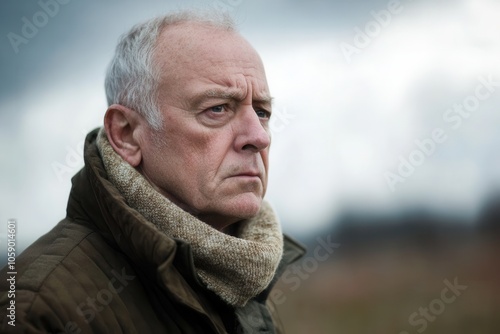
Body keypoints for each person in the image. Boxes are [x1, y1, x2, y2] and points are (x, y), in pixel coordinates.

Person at [0, 10, 305, 333]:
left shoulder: (238, 273)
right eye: (217, 109)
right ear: (127, 135)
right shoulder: (34, 312)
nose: (258, 136)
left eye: (262, 111)